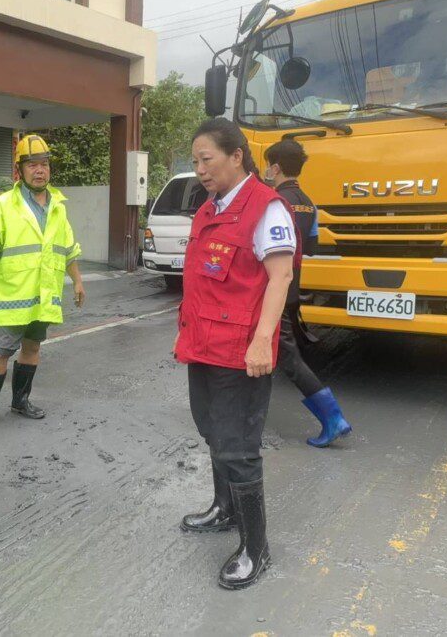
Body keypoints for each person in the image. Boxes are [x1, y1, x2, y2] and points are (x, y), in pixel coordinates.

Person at [175, 118, 295, 589]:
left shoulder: (266, 208)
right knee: (211, 430)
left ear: (236, 156)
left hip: (240, 351)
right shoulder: (210, 209)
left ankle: (255, 547)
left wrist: (264, 338)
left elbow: (280, 277)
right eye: (196, 162)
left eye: (207, 159)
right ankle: (223, 509)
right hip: (203, 345)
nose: (201, 169)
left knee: (238, 447)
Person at [0, 134, 85, 431]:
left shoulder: (58, 206)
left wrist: (78, 282)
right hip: (14, 296)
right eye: (32, 165)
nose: (40, 170)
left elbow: (67, 249)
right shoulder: (5, 204)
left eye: (44, 164)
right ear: (20, 171)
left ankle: (20, 401)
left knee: (31, 349)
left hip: (44, 296)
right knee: (0, 352)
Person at [263, 140, 353, 448]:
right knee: (271, 351)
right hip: (292, 287)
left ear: (275, 167)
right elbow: (312, 248)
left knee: (287, 356)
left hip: (271, 289)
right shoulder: (309, 204)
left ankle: (332, 417)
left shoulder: (273, 202)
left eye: (267, 165)